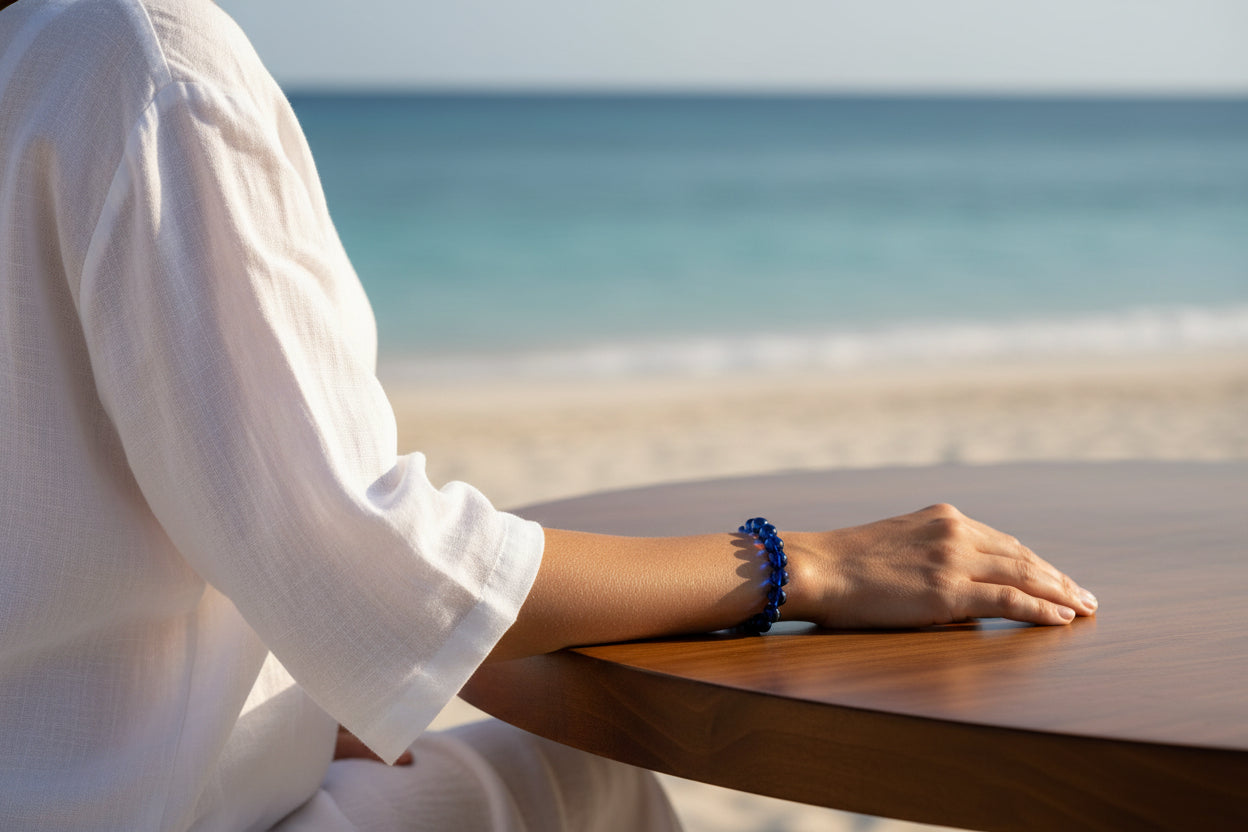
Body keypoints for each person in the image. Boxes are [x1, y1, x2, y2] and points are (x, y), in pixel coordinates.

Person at [0, 0, 1097, 829]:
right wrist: (799, 563)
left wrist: (302, 708)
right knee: (587, 782)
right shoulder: (135, 59)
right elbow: (366, 558)